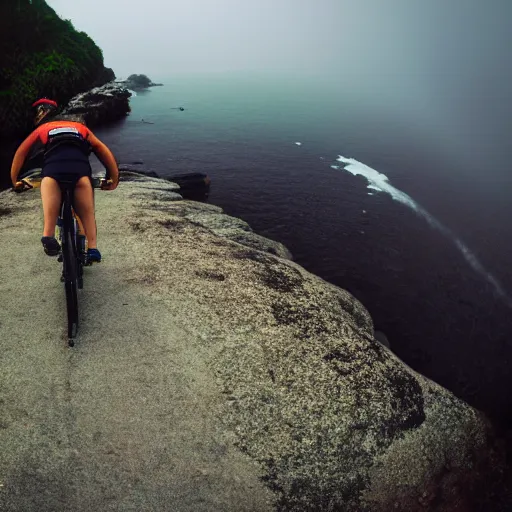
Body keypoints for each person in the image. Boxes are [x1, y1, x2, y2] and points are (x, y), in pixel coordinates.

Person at [10, 98, 119, 262]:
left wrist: (15, 180)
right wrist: (114, 178)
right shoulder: (81, 128)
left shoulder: (44, 128)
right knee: (86, 212)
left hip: (54, 168)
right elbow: (102, 149)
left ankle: (48, 235)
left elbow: (21, 153)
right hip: (80, 169)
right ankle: (93, 248)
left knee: (49, 186)